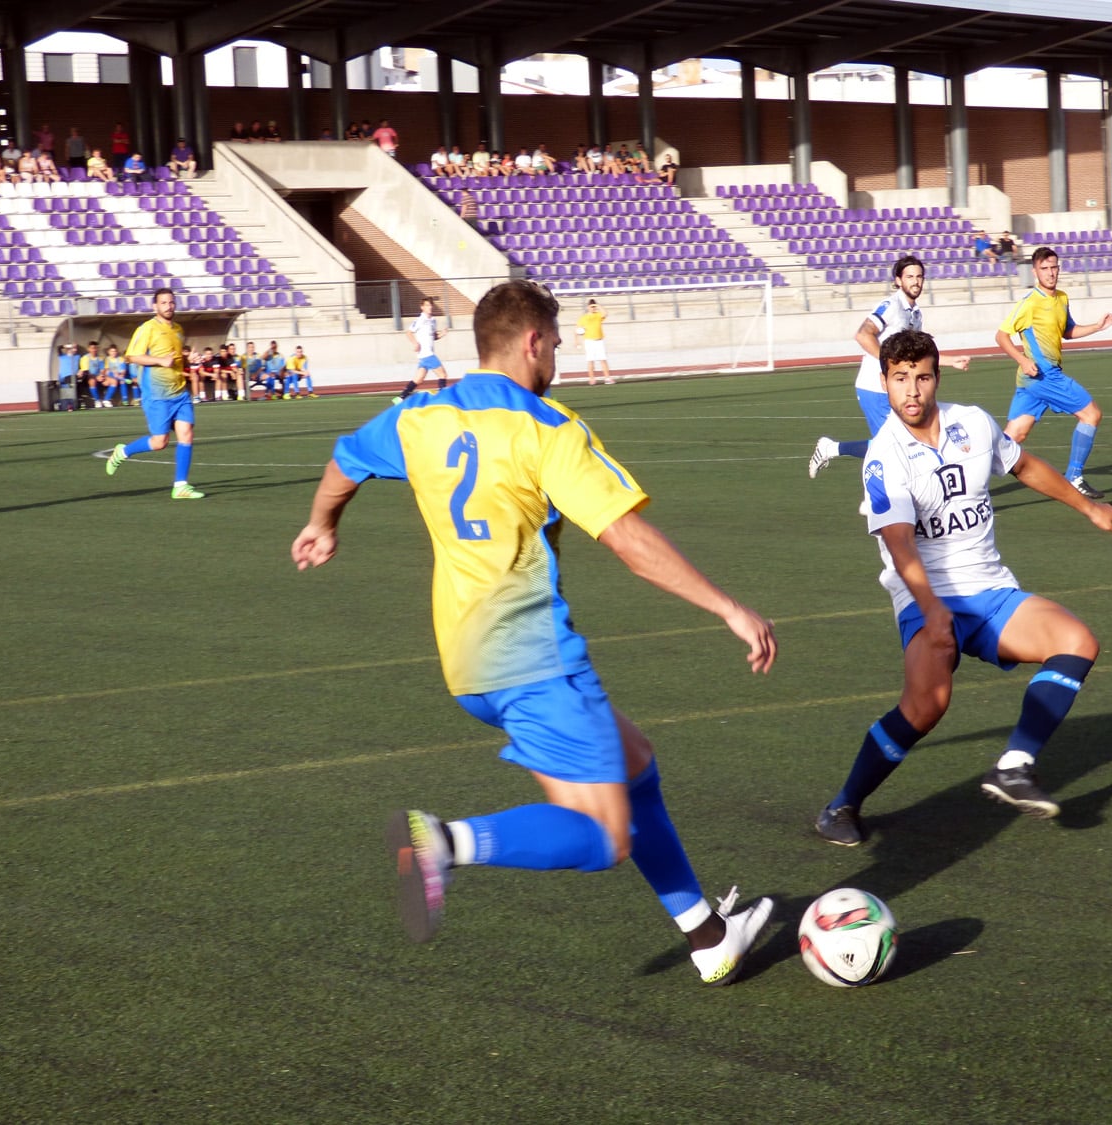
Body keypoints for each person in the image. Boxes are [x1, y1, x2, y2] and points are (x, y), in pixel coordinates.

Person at [290, 279, 778, 985]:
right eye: (555, 340)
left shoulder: (418, 416)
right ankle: (445, 842)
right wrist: (727, 606)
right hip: (532, 655)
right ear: (530, 341)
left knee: (634, 761)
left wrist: (322, 523)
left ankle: (708, 936)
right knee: (605, 836)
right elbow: (626, 537)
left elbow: (345, 459)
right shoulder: (545, 425)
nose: (559, 353)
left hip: (465, 659)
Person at [814, 329, 1112, 846]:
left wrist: (1090, 507)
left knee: (1077, 642)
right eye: (899, 379)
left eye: (921, 377)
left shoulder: (974, 423)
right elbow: (899, 544)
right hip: (923, 595)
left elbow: (1023, 465)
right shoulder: (882, 456)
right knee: (926, 707)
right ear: (885, 383)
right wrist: (931, 609)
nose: (911, 390)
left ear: (936, 377)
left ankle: (1014, 765)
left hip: (989, 589)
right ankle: (843, 804)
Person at [809, 255, 971, 478]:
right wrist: (889, 363)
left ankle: (831, 449)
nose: (915, 281)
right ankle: (878, 498)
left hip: (897, 387)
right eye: (910, 277)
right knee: (894, 446)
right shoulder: (891, 306)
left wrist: (950, 360)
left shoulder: (915, 313)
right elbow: (863, 334)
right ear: (898, 280)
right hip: (875, 388)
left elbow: (915, 355)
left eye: (919, 276)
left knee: (900, 441)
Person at [996, 246, 1112, 500]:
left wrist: (1097, 326)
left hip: (1031, 381)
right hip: (1044, 376)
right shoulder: (1029, 303)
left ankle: (964, 470)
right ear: (1035, 271)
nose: (1050, 273)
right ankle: (1074, 476)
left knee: (1012, 438)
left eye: (1054, 267)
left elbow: (1067, 331)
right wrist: (1021, 359)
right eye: (1044, 269)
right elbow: (1002, 336)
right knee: (1091, 414)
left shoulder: (1062, 298)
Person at [106, 288, 206, 500]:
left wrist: (190, 361)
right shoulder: (147, 329)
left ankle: (180, 486)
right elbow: (132, 356)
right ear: (155, 306)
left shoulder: (178, 329)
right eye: (163, 302)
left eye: (171, 302)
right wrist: (160, 361)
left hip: (179, 391)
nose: (168, 306)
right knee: (160, 442)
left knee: (186, 433)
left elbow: (176, 359)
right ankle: (123, 452)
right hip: (157, 395)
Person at [394, 297, 449, 399]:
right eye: (427, 305)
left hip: (424, 356)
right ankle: (443, 398)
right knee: (443, 375)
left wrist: (442, 334)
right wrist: (415, 343)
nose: (430, 307)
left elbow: (433, 336)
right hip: (427, 354)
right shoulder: (420, 320)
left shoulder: (433, 320)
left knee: (418, 380)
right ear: (422, 307)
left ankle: (401, 397)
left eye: (431, 305)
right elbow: (409, 332)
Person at [576, 299, 615, 384]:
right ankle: (592, 379)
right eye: (591, 307)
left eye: (594, 307)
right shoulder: (583, 318)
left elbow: (605, 313)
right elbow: (577, 330)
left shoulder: (598, 315)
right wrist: (577, 342)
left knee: (603, 359)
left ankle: (607, 378)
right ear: (588, 307)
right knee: (590, 360)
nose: (593, 308)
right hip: (589, 341)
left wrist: (598, 306)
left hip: (599, 341)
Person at [56, 343, 81, 412]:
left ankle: (71, 405)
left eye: (76, 348)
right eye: (74, 348)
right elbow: (58, 348)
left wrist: (81, 371)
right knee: (65, 391)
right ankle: (65, 405)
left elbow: (81, 366)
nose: (75, 350)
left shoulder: (77, 357)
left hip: (72, 378)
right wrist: (67, 346)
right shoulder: (62, 356)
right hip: (63, 378)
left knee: (70, 387)